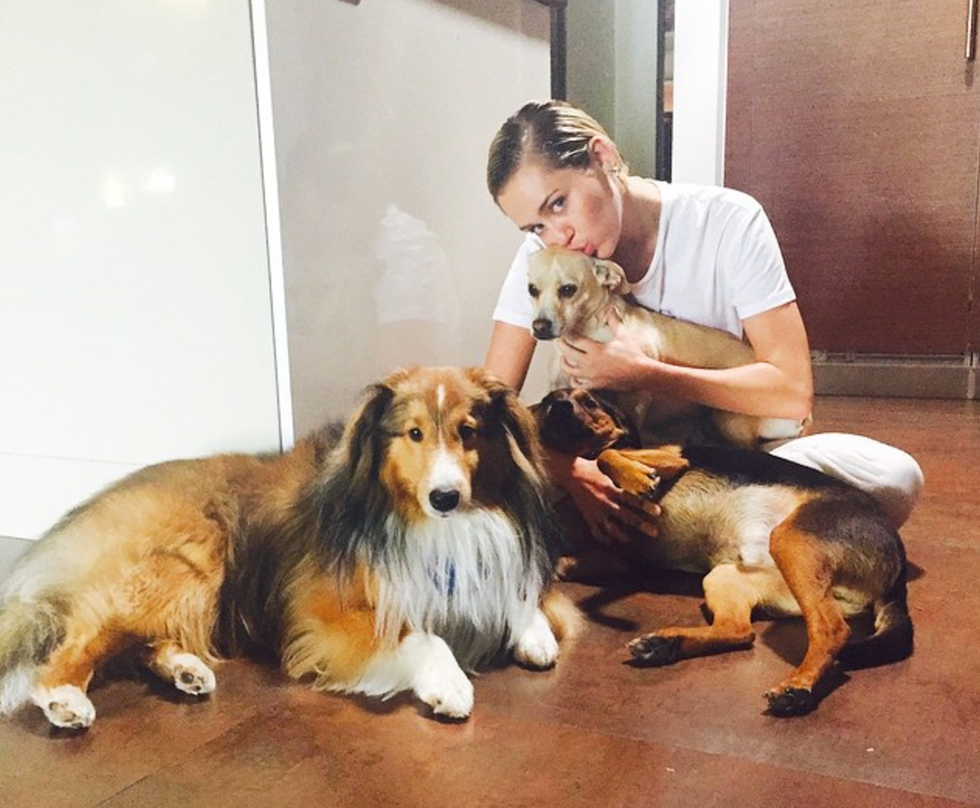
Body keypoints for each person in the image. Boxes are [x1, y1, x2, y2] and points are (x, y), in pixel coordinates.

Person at [483, 99, 923, 542]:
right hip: (620, 463)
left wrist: (646, 373)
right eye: (535, 227)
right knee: (495, 498)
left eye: (559, 204)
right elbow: (488, 408)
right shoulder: (545, 261)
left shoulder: (727, 220)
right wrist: (572, 472)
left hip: (734, 456)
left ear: (603, 156)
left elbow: (791, 393)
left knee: (894, 478)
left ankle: (697, 532)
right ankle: (726, 538)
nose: (557, 236)